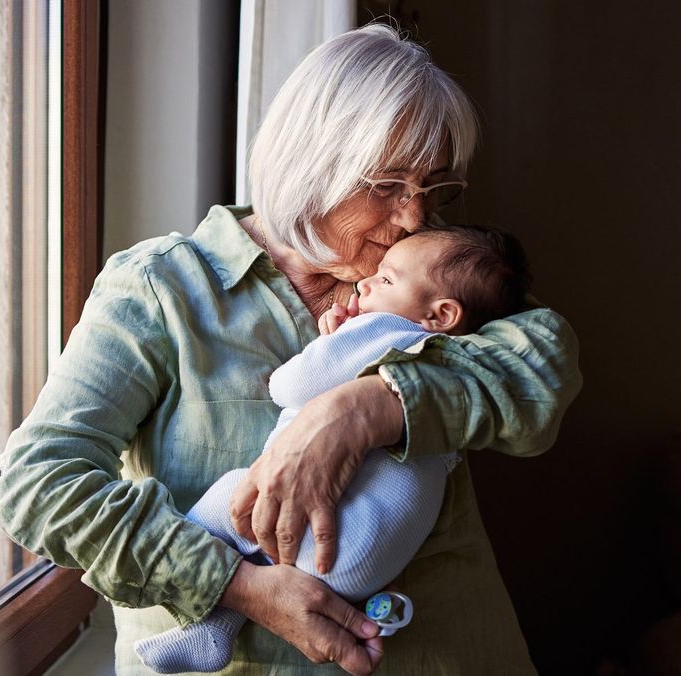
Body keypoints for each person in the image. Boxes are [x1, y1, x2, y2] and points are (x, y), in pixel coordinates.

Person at [0, 24, 581, 675]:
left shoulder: (429, 272)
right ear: (312, 162)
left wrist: (367, 408)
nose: (415, 217)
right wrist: (234, 585)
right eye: (387, 184)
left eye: (432, 186)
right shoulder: (164, 289)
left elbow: (543, 365)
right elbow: (37, 485)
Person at [134, 223, 532, 673]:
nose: (365, 284)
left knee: (235, 495)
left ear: (440, 315)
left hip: (330, 542)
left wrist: (332, 343)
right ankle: (217, 629)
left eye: (386, 279)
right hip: (365, 566)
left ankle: (204, 605)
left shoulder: (387, 330)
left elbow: (290, 385)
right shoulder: (453, 352)